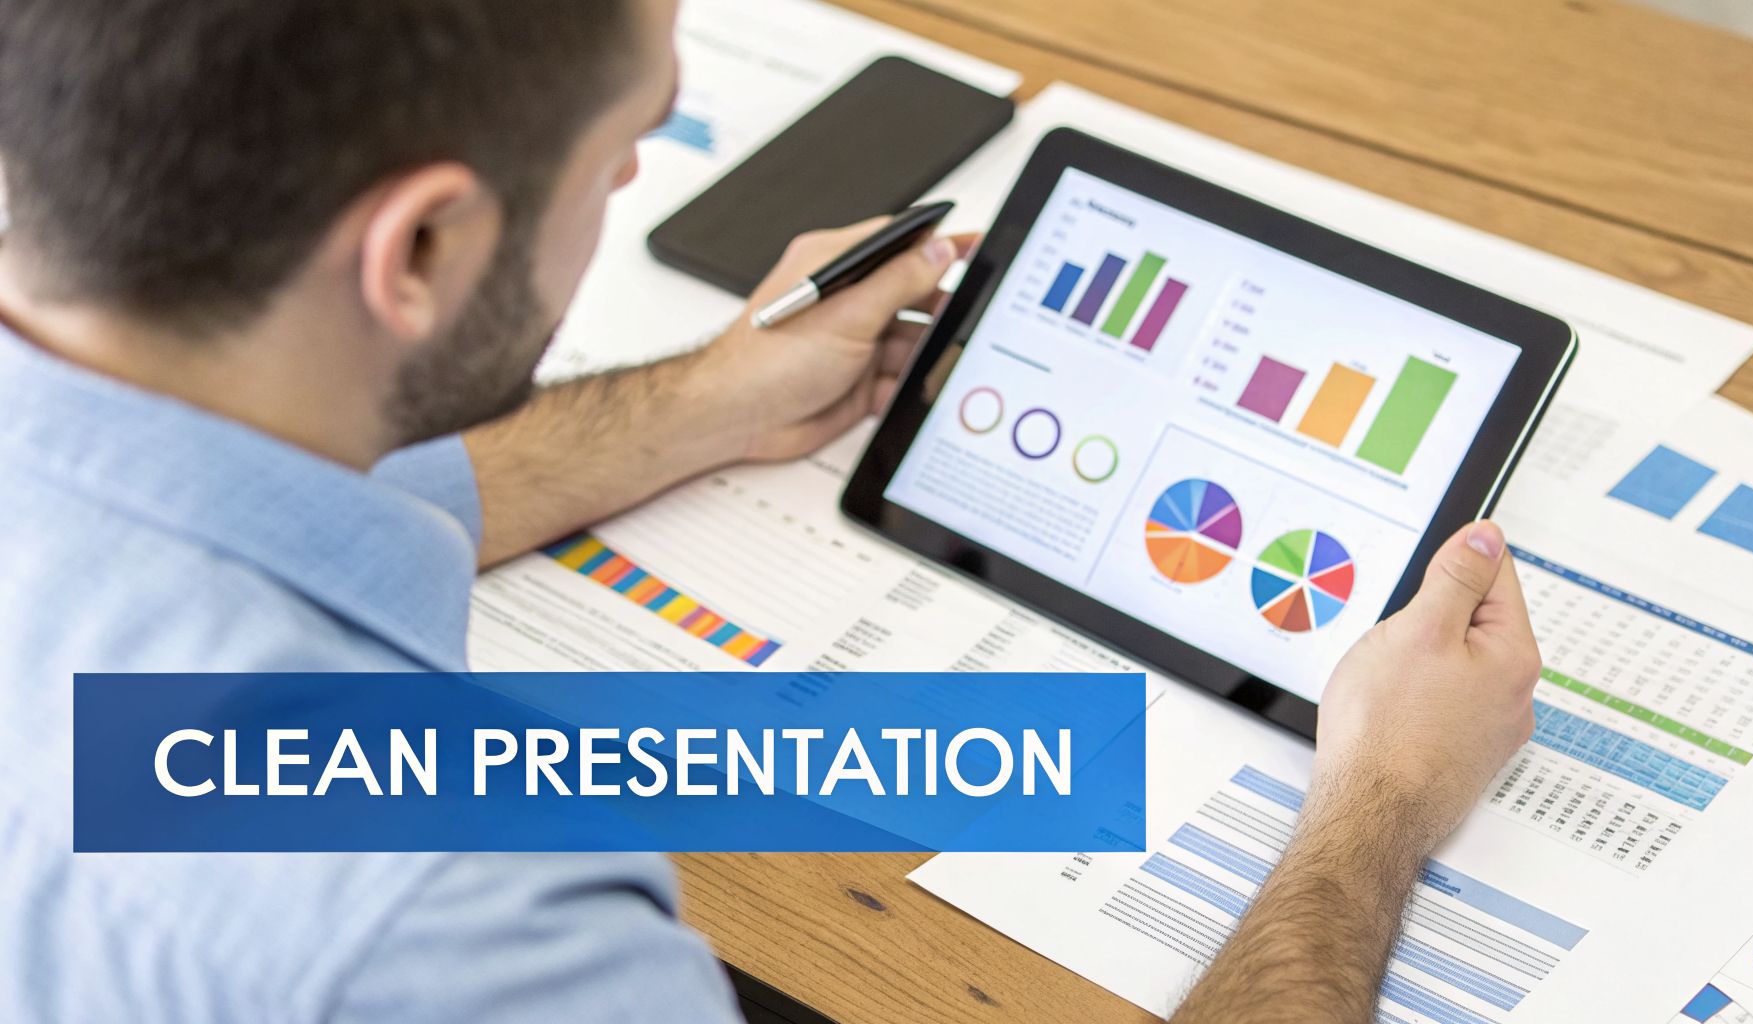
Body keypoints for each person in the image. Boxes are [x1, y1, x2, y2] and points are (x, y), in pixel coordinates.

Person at [0, 1, 1542, 1020]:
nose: (627, 185)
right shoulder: (460, 933)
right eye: (628, 153)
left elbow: (277, 496)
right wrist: (1379, 808)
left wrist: (691, 402)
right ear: (414, 254)